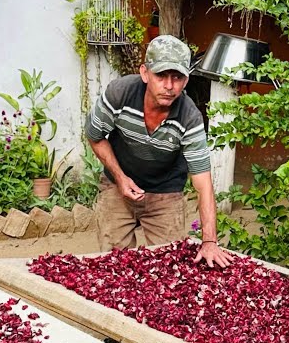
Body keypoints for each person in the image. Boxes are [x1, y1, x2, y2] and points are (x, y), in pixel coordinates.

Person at [85, 35, 232, 267]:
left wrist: (209, 241)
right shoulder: (119, 94)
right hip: (117, 188)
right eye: (161, 75)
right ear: (145, 73)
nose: (169, 86)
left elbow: (203, 183)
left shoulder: (190, 118)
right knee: (113, 265)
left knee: (167, 267)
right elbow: (94, 136)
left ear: (186, 80)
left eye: (177, 77)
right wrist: (121, 179)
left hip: (165, 194)